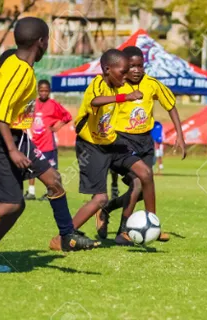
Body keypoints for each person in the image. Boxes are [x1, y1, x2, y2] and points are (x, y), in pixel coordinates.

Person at [0, 18, 98, 271]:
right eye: (48, 39)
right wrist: (12, 150)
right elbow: (0, 113)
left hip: (17, 136)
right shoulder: (19, 71)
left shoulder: (19, 64)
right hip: (1, 138)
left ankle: (67, 234)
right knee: (12, 203)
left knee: (53, 180)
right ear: (42, 41)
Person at [49, 49, 157, 249]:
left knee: (145, 174)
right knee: (100, 198)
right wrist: (125, 98)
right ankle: (61, 238)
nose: (125, 77)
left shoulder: (118, 85)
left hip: (112, 143)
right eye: (122, 72)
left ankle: (151, 225)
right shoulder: (98, 85)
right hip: (91, 147)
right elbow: (95, 102)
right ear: (108, 69)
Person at [95, 46, 186, 245]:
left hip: (145, 141)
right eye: (132, 66)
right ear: (124, 66)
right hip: (121, 142)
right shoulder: (116, 84)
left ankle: (111, 210)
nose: (136, 70)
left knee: (143, 189)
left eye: (140, 66)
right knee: (138, 182)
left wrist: (180, 135)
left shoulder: (152, 84)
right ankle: (124, 232)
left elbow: (171, 105)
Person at [24, 79, 72, 201]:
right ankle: (31, 192)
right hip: (34, 142)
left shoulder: (53, 104)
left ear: (49, 91)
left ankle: (50, 192)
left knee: (51, 169)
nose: (43, 93)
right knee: (31, 168)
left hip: (48, 143)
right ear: (38, 91)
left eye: (46, 91)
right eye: (41, 91)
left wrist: (58, 126)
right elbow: (25, 117)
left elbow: (67, 117)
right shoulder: (32, 104)